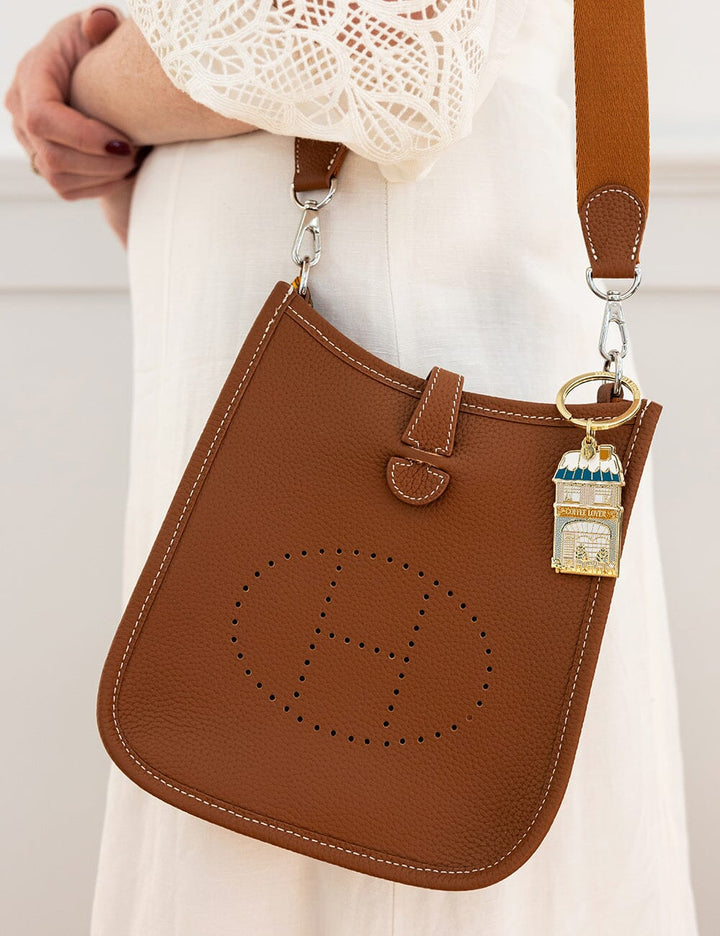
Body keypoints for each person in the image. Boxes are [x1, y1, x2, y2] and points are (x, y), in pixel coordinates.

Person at [6, 2, 700, 933]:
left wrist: (85, 86)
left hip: (394, 315)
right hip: (354, 324)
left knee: (351, 845)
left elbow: (393, 45)